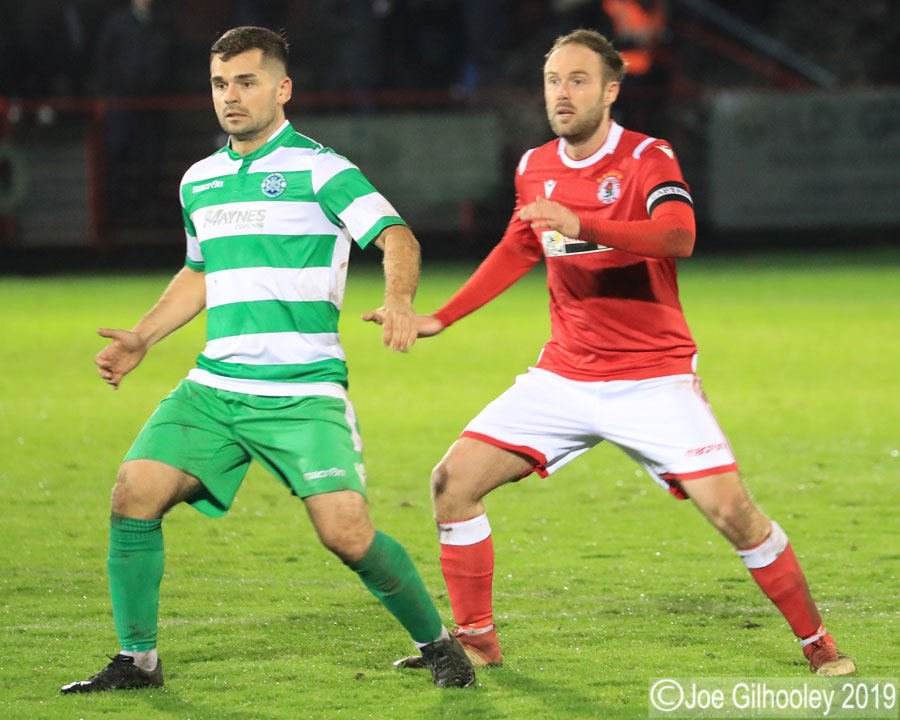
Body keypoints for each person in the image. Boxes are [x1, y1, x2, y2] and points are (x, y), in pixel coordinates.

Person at [372, 29, 856, 677]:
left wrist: (585, 224)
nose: (562, 93)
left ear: (609, 91)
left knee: (732, 513)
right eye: (553, 81)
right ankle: (479, 640)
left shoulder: (649, 158)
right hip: (564, 376)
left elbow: (679, 236)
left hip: (653, 380)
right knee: (451, 483)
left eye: (577, 80)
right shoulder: (533, 166)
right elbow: (520, 246)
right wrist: (442, 317)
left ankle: (817, 642)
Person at [61, 26, 474, 694]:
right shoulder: (201, 181)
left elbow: (396, 235)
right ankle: (137, 661)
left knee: (345, 533)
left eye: (246, 81)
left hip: (302, 390)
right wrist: (143, 335)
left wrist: (400, 299)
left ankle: (437, 643)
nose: (231, 96)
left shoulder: (323, 170)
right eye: (221, 83)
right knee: (133, 493)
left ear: (282, 89)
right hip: (214, 389)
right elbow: (200, 271)